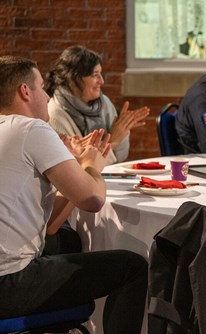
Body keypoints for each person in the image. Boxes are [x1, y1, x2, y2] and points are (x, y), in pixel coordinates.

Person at [0, 55, 147, 334]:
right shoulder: (31, 129)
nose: (46, 96)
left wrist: (76, 169)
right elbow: (93, 200)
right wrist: (92, 165)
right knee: (132, 268)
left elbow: (51, 225)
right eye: (42, 87)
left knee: (66, 241)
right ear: (25, 91)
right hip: (8, 281)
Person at [45, 45, 150, 165]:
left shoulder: (104, 103)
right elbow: (77, 168)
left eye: (100, 74)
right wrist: (113, 142)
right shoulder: (54, 115)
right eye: (95, 75)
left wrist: (123, 131)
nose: (102, 81)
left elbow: (120, 157)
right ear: (72, 79)